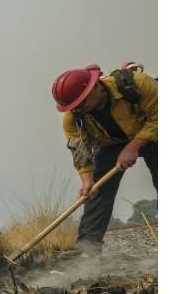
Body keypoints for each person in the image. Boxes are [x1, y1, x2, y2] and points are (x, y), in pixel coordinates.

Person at [51, 62, 157, 254]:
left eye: (81, 104)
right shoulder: (73, 118)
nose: (79, 109)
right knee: (97, 188)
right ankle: (87, 249)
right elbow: (80, 150)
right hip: (112, 143)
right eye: (74, 107)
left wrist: (133, 146)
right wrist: (87, 181)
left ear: (95, 88)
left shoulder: (139, 84)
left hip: (153, 132)